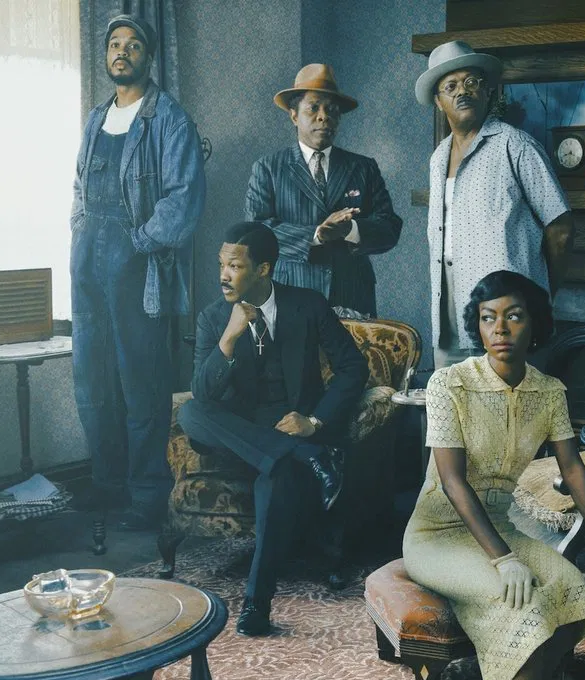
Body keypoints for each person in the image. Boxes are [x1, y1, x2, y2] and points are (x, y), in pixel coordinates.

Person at [402, 271, 585, 680]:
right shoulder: (449, 384)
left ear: (534, 324)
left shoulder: (548, 392)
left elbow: (572, 469)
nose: (500, 329)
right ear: (478, 326)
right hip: (437, 535)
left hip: (500, 527)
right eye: (488, 318)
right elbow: (452, 481)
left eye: (513, 316)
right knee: (521, 600)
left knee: (573, 594)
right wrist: (503, 559)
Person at [179, 222, 366, 636]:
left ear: (263, 269)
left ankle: (256, 605)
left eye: (234, 266)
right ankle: (312, 458)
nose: (223, 275)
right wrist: (229, 339)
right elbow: (203, 394)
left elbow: (354, 368)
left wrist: (314, 423)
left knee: (275, 478)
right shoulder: (213, 318)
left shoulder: (308, 304)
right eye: (221, 265)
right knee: (191, 412)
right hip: (241, 438)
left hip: (291, 430)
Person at [70, 13, 205, 529]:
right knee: (93, 378)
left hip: (136, 264)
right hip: (88, 259)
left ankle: (147, 496)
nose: (121, 52)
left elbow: (184, 198)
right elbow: (78, 187)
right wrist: (80, 231)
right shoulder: (94, 119)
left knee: (141, 381)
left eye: (132, 45)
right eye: (114, 44)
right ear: (106, 55)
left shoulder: (169, 119)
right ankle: (106, 483)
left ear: (148, 57)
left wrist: (139, 242)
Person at [415, 41, 574, 368]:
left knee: (508, 396)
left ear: (487, 91)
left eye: (471, 82)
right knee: (453, 392)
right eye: (451, 86)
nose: (462, 91)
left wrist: (539, 295)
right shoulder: (438, 158)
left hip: (504, 308)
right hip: (448, 302)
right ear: (438, 102)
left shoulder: (515, 145)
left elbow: (561, 229)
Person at [246, 64, 402, 317]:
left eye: (332, 110)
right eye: (313, 108)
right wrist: (317, 235)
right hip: (292, 296)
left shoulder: (363, 167)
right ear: (294, 115)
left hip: (353, 297)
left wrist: (350, 230)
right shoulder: (268, 168)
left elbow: (389, 228)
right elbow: (257, 233)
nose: (324, 116)